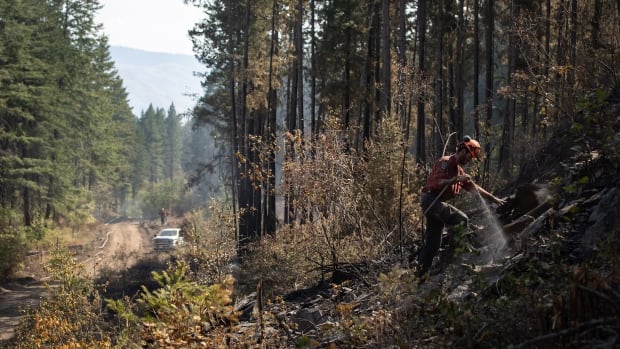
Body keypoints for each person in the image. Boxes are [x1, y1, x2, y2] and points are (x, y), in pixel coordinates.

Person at [416, 136, 505, 277]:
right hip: (431, 200)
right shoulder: (445, 163)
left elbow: (474, 188)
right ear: (463, 151)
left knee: (433, 244)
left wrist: (493, 198)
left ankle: (419, 275)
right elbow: (437, 182)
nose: (469, 160)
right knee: (461, 219)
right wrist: (456, 180)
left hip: (435, 204)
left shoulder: (459, 171)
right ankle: (453, 258)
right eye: (469, 157)